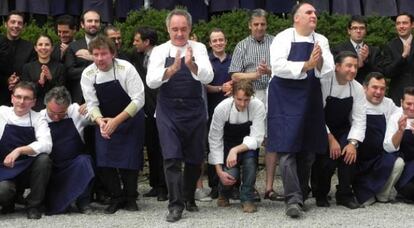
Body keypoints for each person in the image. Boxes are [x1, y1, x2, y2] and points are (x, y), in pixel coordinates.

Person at [146, 9, 213, 222]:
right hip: (168, 111)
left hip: (194, 109)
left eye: (183, 29)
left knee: (194, 158)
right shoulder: (159, 51)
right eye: (175, 29)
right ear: (168, 29)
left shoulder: (199, 48)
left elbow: (209, 75)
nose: (179, 33)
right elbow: (151, 81)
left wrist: (193, 66)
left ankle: (188, 197)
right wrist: (170, 71)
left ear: (190, 28)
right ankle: (175, 205)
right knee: (172, 157)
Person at [268, 2, 334, 218]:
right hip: (284, 98)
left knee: (307, 152)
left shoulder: (321, 39)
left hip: (310, 99)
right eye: (309, 12)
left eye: (315, 12)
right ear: (296, 18)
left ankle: (301, 194)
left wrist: (320, 60)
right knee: (287, 150)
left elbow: (329, 69)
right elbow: (277, 66)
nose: (314, 15)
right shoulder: (283, 38)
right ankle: (293, 199)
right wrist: (306, 65)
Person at [81, 35, 145, 214]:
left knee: (130, 160)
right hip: (104, 121)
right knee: (105, 160)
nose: (100, 59)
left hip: (130, 119)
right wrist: (101, 121)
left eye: (103, 54)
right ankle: (116, 197)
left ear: (113, 54)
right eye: (96, 54)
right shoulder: (88, 74)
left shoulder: (126, 68)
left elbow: (139, 99)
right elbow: (91, 103)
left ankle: (130, 197)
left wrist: (116, 121)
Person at [228, 8, 277, 202]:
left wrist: (269, 70)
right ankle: (251, 186)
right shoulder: (242, 45)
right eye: (255, 24)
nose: (259, 27)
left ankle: (270, 187)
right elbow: (234, 74)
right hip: (250, 95)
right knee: (253, 140)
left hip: (273, 93)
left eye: (262, 24)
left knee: (272, 141)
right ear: (250, 25)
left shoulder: (275, 43)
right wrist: (256, 75)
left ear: (266, 25)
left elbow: (284, 70)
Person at [311, 51, 366, 210]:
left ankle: (344, 195)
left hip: (343, 129)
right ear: (337, 67)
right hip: (322, 127)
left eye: (355, 66)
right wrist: (330, 138)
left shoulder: (356, 88)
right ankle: (320, 193)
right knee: (327, 160)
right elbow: (316, 114)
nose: (353, 70)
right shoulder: (324, 83)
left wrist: (353, 143)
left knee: (349, 155)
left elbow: (359, 118)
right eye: (349, 65)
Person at [208, 80, 265, 213]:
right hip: (227, 145)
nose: (242, 104)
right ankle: (223, 194)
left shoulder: (258, 106)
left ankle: (247, 198)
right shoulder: (222, 108)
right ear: (232, 96)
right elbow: (214, 139)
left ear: (252, 97)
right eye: (239, 99)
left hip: (247, 145)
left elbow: (257, 138)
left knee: (250, 163)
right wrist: (219, 171)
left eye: (246, 100)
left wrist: (236, 150)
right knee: (230, 175)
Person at [0, 81, 52, 219]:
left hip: (27, 170)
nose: (21, 102)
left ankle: (33, 205)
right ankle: (8, 202)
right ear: (12, 98)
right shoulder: (2, 113)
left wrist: (19, 150)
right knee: (3, 191)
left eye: (27, 98)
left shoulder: (38, 118)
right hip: (4, 169)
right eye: (18, 97)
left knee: (44, 159)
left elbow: (47, 144)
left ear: (34, 102)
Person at [41, 86, 95, 215]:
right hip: (53, 167)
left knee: (85, 160)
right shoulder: (39, 117)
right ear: (46, 104)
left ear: (68, 107)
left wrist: (92, 106)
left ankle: (83, 202)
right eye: (52, 112)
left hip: (74, 164)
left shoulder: (76, 111)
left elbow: (97, 119)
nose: (56, 117)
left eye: (61, 113)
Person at [353, 72, 403, 205]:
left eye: (382, 89)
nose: (378, 92)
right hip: (360, 158)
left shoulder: (388, 103)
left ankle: (383, 193)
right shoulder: (357, 101)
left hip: (380, 156)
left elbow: (402, 112)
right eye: (374, 87)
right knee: (366, 201)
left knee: (399, 162)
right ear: (365, 88)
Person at [130, 26, 168, 201]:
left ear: (147, 42)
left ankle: (164, 187)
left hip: (161, 108)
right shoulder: (136, 57)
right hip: (145, 110)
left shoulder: (163, 57)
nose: (134, 43)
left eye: (137, 40)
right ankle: (155, 184)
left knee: (163, 148)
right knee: (152, 148)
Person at [205, 28, 233, 200]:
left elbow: (240, 79)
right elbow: (203, 85)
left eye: (221, 39)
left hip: (232, 109)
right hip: (212, 109)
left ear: (225, 41)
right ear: (210, 43)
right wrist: (220, 88)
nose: (218, 43)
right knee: (213, 147)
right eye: (214, 40)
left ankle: (233, 185)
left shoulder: (233, 60)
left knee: (231, 146)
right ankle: (215, 186)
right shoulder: (206, 61)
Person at [383, 87, 414, 202]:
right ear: (401, 102)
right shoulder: (395, 118)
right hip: (405, 167)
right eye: (409, 104)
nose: (412, 108)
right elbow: (388, 148)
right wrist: (400, 131)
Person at [331, 16, 383, 84]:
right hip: (345, 87)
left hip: (366, 90)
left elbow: (379, 74)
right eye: (355, 28)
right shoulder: (338, 49)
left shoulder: (374, 51)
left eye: (362, 28)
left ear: (365, 31)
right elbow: (335, 71)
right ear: (349, 31)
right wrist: (358, 63)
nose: (358, 31)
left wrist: (366, 60)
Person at [21, 34, 66, 111]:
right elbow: (26, 91)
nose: (43, 47)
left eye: (47, 45)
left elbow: (62, 91)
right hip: (33, 109)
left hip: (54, 109)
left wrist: (50, 79)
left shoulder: (60, 67)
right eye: (40, 44)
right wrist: (40, 82)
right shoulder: (27, 67)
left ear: (52, 48)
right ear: (35, 48)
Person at [65, 10, 101, 104]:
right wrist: (97, 67)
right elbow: (70, 72)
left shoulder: (108, 44)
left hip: (103, 95)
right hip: (80, 97)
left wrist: (93, 58)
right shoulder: (74, 46)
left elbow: (112, 67)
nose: (93, 24)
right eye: (89, 21)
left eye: (96, 21)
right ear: (82, 24)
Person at [381, 13, 414, 106]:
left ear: (412, 25)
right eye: (398, 23)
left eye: (405, 23)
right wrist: (403, 57)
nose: (401, 26)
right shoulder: (389, 46)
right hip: (398, 96)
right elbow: (387, 72)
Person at [4, 11, 36, 105]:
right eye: (13, 22)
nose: (16, 25)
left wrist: (18, 80)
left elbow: (32, 70)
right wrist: (6, 80)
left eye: (19, 23)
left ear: (24, 26)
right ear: (6, 24)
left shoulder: (29, 47)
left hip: (22, 97)